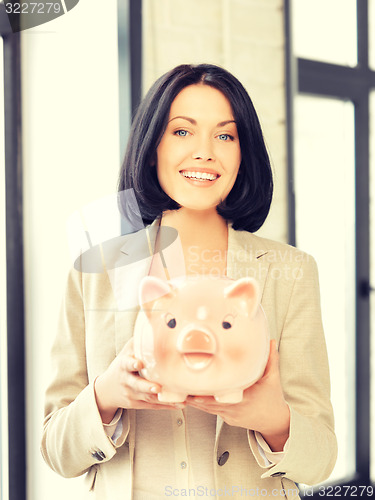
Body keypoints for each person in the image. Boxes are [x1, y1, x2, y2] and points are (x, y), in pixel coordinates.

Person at [41, 64, 337, 499]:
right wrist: (107, 394)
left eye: (225, 135)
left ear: (243, 153)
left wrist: (272, 418)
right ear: (152, 146)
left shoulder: (287, 272)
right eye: (182, 131)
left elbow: (321, 458)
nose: (204, 152)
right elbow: (56, 450)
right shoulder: (96, 273)